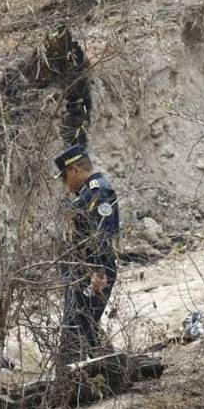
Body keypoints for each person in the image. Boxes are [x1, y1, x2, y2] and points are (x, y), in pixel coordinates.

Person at [54, 143, 120, 364]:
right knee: (82, 326)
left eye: (65, 177)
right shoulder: (86, 193)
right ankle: (107, 368)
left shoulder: (98, 192)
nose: (65, 184)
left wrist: (98, 272)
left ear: (74, 170)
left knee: (79, 326)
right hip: (84, 271)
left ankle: (107, 370)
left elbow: (101, 234)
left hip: (94, 272)